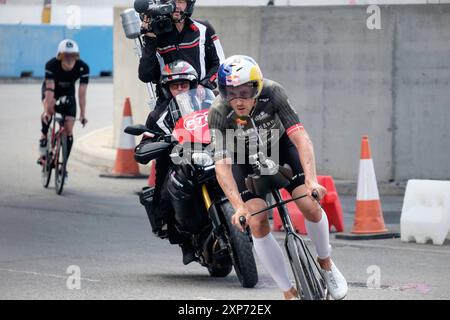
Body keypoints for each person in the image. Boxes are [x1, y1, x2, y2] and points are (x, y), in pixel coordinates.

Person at [207, 55, 348, 300]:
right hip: (245, 159)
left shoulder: (273, 92)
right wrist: (238, 207)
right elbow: (221, 166)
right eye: (231, 93)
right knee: (257, 220)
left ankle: (326, 263)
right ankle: (288, 291)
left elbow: (300, 137)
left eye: (245, 91)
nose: (238, 100)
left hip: (280, 148)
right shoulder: (218, 111)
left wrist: (312, 180)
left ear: (257, 86)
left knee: (309, 205)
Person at [138, 60, 204, 265]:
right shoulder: (158, 114)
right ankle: (184, 240)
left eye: (184, 85)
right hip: (176, 159)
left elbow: (230, 119)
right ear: (167, 89)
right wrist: (158, 142)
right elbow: (144, 143)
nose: (180, 89)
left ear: (193, 85)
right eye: (175, 86)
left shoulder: (210, 102)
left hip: (210, 152)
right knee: (165, 192)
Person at [138, 0, 224, 109]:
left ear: (189, 4)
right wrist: (150, 38)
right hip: (168, 102)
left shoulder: (204, 29)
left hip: (201, 98)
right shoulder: (155, 34)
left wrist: (204, 84)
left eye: (180, 1)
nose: (176, 6)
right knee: (150, 123)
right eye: (171, 1)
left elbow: (220, 64)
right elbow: (146, 75)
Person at [39, 39, 89, 177]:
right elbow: (49, 90)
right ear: (60, 56)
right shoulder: (51, 64)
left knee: (68, 131)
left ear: (76, 56)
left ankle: (64, 165)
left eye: (72, 55)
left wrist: (83, 114)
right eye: (65, 55)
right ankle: (44, 140)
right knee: (48, 111)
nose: (69, 58)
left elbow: (82, 94)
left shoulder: (83, 67)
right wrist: (47, 110)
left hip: (68, 93)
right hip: (52, 90)